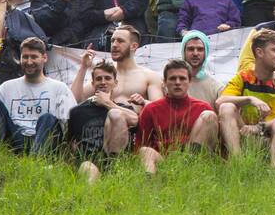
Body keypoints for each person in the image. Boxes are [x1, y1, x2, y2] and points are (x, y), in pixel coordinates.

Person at [70, 24, 163, 158]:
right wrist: (83, 67)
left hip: (135, 133)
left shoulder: (148, 76)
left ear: (134, 46)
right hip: (101, 132)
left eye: (120, 41)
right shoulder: (106, 74)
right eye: (113, 40)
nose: (114, 44)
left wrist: (143, 101)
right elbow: (75, 99)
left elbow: (160, 111)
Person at [218, 28, 275, 169]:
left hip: (273, 138)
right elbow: (219, 101)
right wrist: (249, 99)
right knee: (226, 107)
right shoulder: (243, 77)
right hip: (245, 135)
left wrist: (258, 128)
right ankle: (238, 165)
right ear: (259, 52)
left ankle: (274, 172)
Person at [0, 37, 75, 153]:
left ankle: (36, 160)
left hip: (44, 139)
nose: (29, 62)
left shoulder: (60, 88)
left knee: (48, 118)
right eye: (25, 57)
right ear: (20, 58)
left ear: (44, 58)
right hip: (15, 138)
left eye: (34, 57)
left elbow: (69, 124)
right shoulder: (6, 87)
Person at [136, 59, 219, 174]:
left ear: (190, 81)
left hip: (195, 162)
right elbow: (140, 145)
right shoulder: (151, 110)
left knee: (209, 116)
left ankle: (188, 171)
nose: (177, 82)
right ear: (164, 82)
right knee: (145, 151)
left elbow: (215, 145)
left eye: (182, 78)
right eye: (172, 78)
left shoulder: (203, 108)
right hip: (163, 162)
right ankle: (150, 187)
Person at [65, 60, 135, 182]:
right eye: (99, 79)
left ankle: (113, 168)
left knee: (115, 114)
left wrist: (107, 103)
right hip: (88, 162)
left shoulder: (124, 109)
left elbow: (135, 120)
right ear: (92, 83)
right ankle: (92, 199)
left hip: (117, 164)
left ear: (115, 83)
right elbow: (70, 145)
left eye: (108, 78)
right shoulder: (78, 111)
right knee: (88, 169)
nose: (103, 82)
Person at [180, 30, 223, 105]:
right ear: (183, 51)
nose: (195, 53)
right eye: (191, 49)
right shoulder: (170, 83)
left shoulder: (217, 88)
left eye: (200, 49)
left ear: (206, 52)